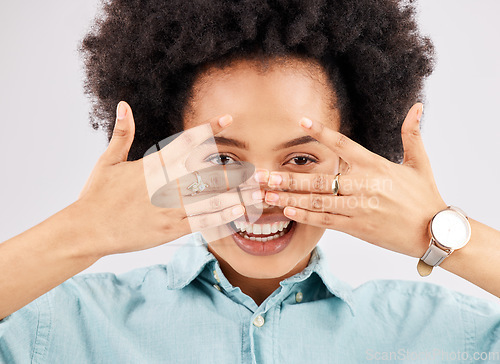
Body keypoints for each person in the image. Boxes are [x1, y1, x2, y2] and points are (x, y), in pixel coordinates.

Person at [1, 0, 499, 362]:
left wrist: (438, 232)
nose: (259, 199)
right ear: (166, 160)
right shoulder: (61, 324)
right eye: (222, 160)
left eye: (301, 160)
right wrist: (83, 231)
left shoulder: (441, 332)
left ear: (355, 161)